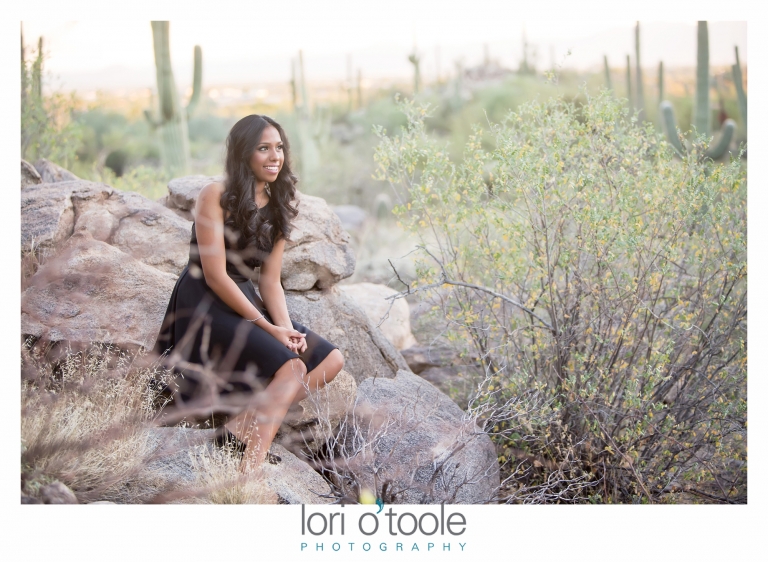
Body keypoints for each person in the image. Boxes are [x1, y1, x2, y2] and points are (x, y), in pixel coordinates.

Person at [154, 114, 344, 472]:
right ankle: (249, 471)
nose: (275, 156)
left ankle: (239, 429)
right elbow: (214, 275)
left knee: (330, 360)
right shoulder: (215, 195)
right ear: (244, 154)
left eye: (279, 148)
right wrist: (269, 329)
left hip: (245, 297)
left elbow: (270, 281)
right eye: (263, 149)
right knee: (290, 369)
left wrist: (286, 329)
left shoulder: (279, 204)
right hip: (204, 298)